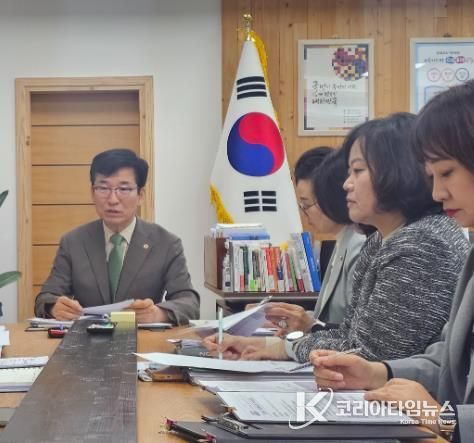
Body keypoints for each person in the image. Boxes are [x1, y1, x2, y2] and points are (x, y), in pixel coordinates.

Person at [203, 113, 469, 363]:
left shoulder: (421, 244)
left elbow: (369, 355)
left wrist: (283, 348)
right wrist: (269, 346)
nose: (346, 184)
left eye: (358, 171)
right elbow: (348, 335)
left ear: (398, 171)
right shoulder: (381, 240)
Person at [312, 81, 474, 441]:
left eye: (447, 173)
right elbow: (448, 359)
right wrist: (379, 372)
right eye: (432, 176)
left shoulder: (426, 240)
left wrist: (446, 419)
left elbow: (448, 412)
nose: (438, 192)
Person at [34, 148, 199, 325]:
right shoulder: (73, 242)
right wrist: (54, 307)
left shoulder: (166, 243)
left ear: (141, 195)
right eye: (103, 188)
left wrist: (158, 314)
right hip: (87, 336)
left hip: (142, 336)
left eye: (124, 189)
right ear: (92, 193)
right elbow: (46, 297)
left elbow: (189, 302)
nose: (113, 199)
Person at [265, 147, 365, 335]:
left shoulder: (359, 245)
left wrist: (309, 325)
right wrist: (285, 317)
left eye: (306, 204)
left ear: (331, 197)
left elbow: (356, 332)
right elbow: (326, 318)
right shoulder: (342, 240)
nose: (304, 213)